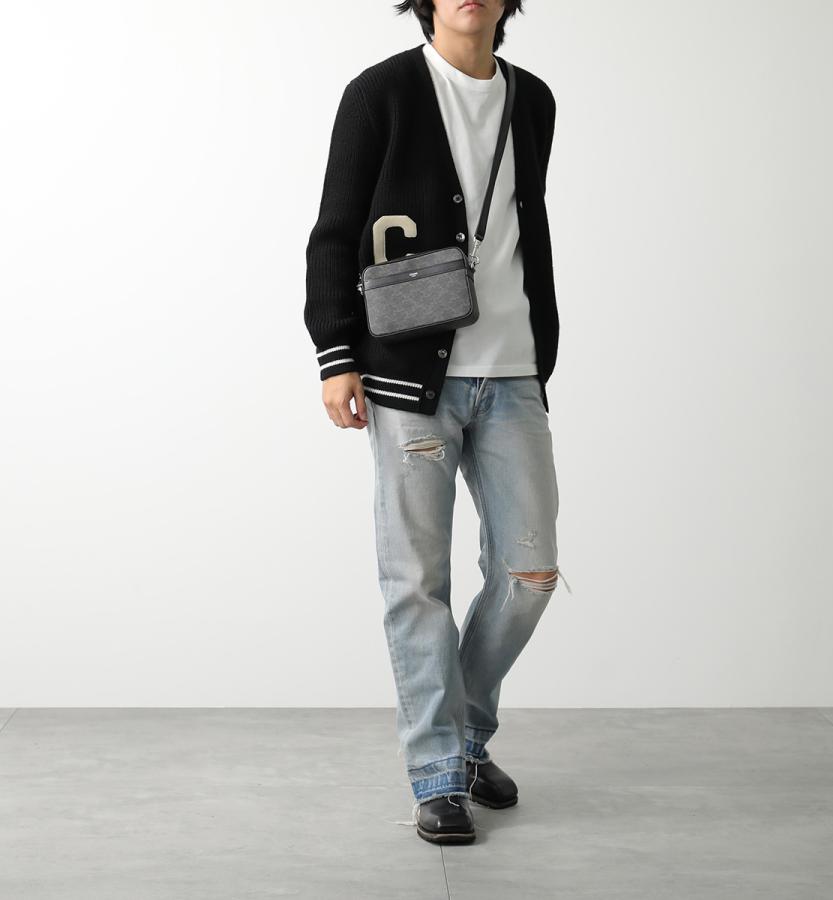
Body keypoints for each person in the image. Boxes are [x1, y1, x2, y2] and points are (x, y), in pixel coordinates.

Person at [303, 0, 569, 845]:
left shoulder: (534, 100)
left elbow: (524, 225)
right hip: (406, 377)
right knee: (417, 582)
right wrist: (335, 354)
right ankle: (437, 775)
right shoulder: (378, 94)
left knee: (530, 573)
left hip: (514, 372)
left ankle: (463, 737)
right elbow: (334, 233)